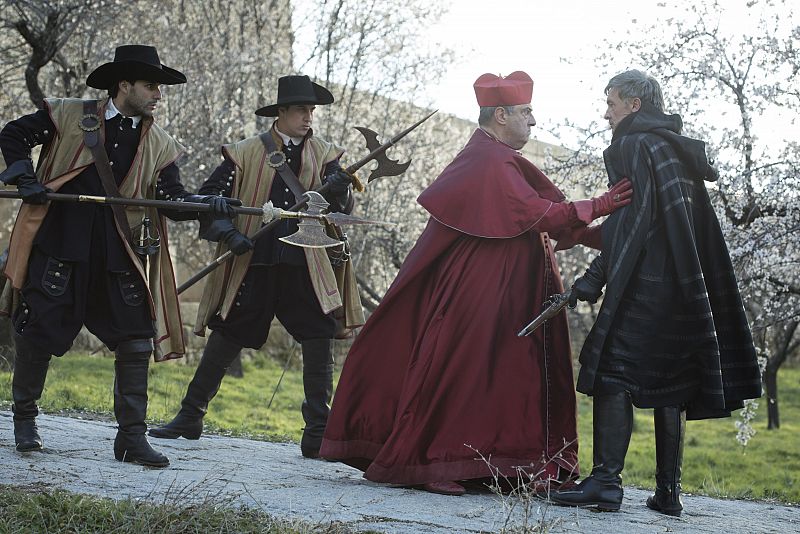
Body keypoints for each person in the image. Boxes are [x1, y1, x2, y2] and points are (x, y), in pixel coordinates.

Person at [318, 71, 633, 496]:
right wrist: (600, 205)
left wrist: (612, 234)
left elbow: (550, 215)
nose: (534, 121)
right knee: (467, 370)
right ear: (500, 114)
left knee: (502, 374)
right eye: (526, 112)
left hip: (509, 290)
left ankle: (497, 464)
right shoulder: (486, 159)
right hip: (480, 291)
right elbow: (536, 215)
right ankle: (435, 462)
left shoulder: (500, 157)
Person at [0, 45, 237, 468]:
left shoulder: (160, 143)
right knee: (37, 332)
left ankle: (131, 438)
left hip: (118, 250)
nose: (158, 95)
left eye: (159, 87)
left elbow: (170, 200)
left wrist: (207, 203)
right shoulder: (69, 115)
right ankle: (24, 421)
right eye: (151, 86)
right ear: (123, 84)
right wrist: (24, 175)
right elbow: (13, 135)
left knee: (134, 340)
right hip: (62, 243)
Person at [550, 70, 763, 516]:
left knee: (610, 371)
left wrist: (591, 280)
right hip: (683, 286)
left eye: (611, 103)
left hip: (647, 285)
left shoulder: (636, 144)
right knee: (671, 383)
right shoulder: (672, 149)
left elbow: (634, 224)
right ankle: (669, 493)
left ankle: (605, 483)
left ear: (634, 106)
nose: (605, 113)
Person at [148, 75, 364, 459]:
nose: (307, 117)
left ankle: (317, 430)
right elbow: (212, 198)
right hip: (257, 261)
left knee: (318, 334)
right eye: (300, 109)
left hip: (306, 263)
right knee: (230, 331)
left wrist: (338, 189)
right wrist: (230, 234)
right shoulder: (245, 152)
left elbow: (341, 212)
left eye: (311, 110)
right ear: (280, 112)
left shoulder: (328, 155)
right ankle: (190, 415)